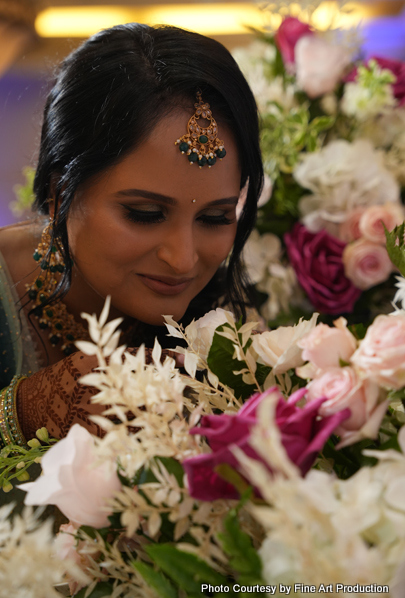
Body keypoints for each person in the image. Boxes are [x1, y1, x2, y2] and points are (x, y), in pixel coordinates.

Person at [0, 23, 263, 447]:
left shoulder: (229, 324)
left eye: (215, 217)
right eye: (145, 214)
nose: (182, 260)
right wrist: (21, 413)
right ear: (58, 193)